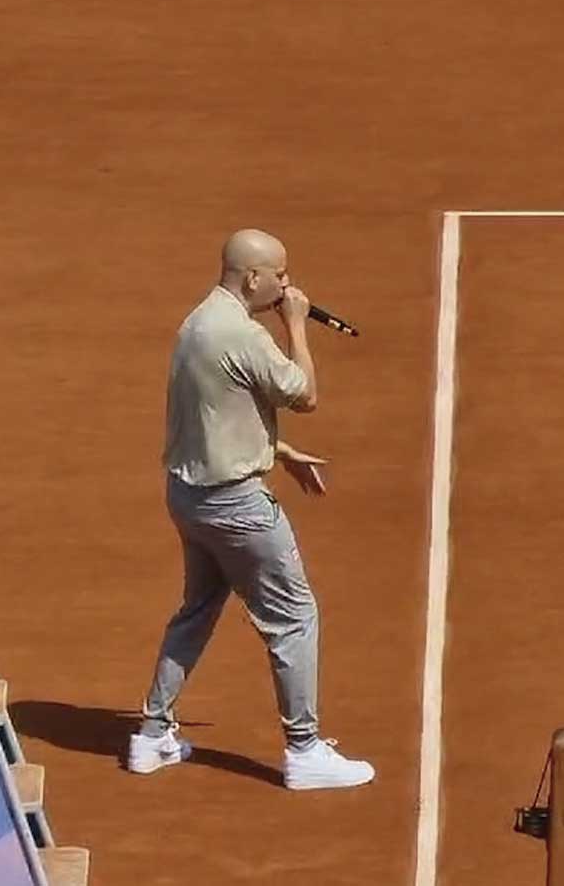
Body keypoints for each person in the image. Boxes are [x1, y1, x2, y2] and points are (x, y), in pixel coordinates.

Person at [127, 228, 375, 791]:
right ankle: (305, 749)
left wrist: (277, 450)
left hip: (187, 496)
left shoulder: (196, 325)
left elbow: (213, 412)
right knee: (294, 617)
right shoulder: (248, 335)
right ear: (253, 279)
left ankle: (151, 734)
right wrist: (295, 325)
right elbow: (305, 395)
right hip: (237, 506)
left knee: (198, 608)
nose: (288, 284)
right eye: (280, 276)